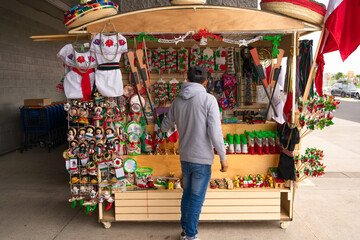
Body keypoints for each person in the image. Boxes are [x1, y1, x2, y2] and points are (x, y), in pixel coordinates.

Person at [161, 66, 228, 240]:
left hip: (185, 157)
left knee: (188, 195)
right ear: (206, 81)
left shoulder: (177, 101)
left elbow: (164, 126)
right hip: (202, 159)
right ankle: (190, 235)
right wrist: (223, 157)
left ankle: (186, 230)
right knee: (196, 199)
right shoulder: (209, 99)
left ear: (187, 79)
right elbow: (215, 132)